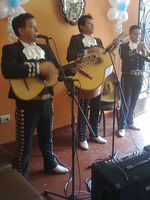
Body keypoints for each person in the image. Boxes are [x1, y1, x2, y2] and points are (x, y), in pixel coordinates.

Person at [1, 13, 69, 180]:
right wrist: (38, 69)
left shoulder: (45, 48)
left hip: (47, 101)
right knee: (24, 143)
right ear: (21, 30)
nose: (37, 29)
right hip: (26, 103)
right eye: (32, 26)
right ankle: (21, 174)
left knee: (47, 136)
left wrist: (73, 68)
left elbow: (57, 72)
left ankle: (50, 163)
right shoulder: (11, 49)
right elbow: (8, 70)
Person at [66, 14, 107, 150]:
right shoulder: (76, 39)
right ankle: (82, 136)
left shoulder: (98, 40)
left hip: (97, 78)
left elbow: (103, 57)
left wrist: (110, 49)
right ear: (82, 26)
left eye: (92, 23)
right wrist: (88, 52)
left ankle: (94, 133)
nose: (92, 26)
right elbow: (70, 57)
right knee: (83, 107)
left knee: (96, 107)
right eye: (89, 24)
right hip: (83, 77)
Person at [118, 25, 150, 137]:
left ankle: (130, 122)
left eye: (140, 34)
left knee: (134, 101)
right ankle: (121, 126)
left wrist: (146, 51)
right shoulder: (123, 46)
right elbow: (124, 57)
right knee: (126, 101)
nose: (138, 36)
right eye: (136, 33)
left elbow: (148, 59)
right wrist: (137, 50)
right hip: (127, 77)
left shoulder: (142, 46)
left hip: (139, 77)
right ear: (130, 34)